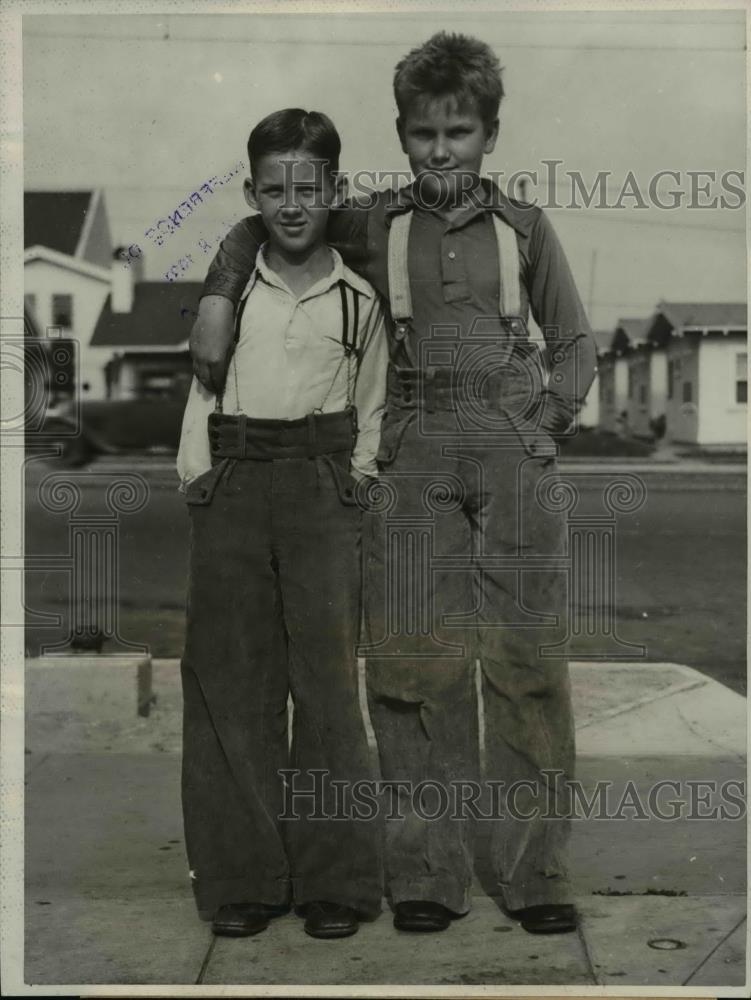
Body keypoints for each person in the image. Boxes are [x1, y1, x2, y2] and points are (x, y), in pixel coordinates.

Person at [190, 33, 597, 936]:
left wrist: (541, 429)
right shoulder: (371, 221)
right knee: (416, 666)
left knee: (526, 667)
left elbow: (572, 344)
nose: (440, 150)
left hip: (508, 455)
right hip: (410, 453)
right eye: (422, 134)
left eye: (458, 132)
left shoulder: (525, 228)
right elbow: (268, 219)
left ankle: (536, 875)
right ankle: (425, 872)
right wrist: (221, 287)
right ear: (402, 135)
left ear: (490, 133)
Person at [177, 108, 387, 941]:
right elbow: (201, 392)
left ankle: (335, 880)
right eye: (274, 189)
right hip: (233, 481)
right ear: (250, 194)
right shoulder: (228, 297)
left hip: (321, 486)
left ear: (334, 190)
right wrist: (200, 480)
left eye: (309, 187)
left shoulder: (358, 299)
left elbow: (371, 402)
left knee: (328, 686)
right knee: (232, 682)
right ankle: (242, 879)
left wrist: (354, 481)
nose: (292, 204)